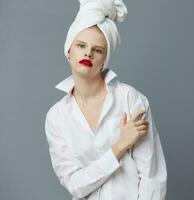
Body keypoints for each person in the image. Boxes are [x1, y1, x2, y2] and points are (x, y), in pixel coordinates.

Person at [44, 0, 167, 200]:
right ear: (68, 51)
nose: (88, 53)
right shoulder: (57, 117)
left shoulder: (130, 99)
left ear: (104, 59)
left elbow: (153, 177)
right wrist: (119, 146)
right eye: (81, 45)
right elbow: (75, 185)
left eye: (98, 50)